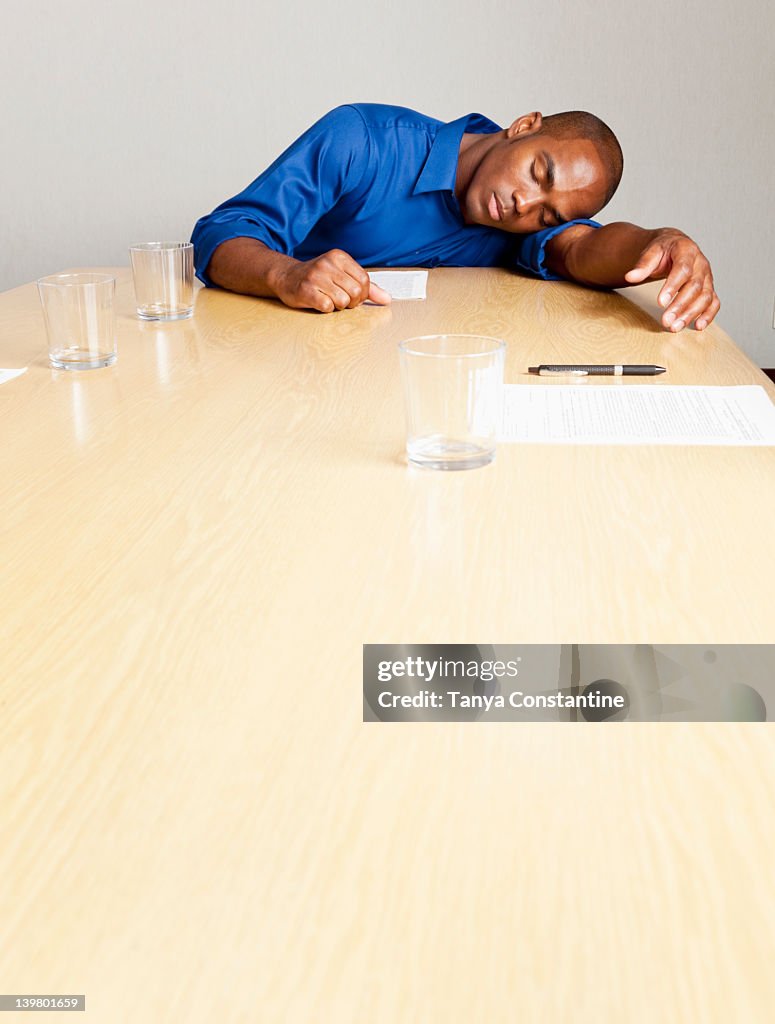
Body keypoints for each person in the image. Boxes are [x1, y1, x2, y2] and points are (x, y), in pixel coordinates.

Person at [191, 103, 719, 332]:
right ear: (523, 126)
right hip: (273, 346)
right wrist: (287, 274)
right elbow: (220, 233)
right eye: (538, 172)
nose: (525, 205)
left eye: (548, 212)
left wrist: (663, 240)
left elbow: (583, 249)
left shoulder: (521, 228)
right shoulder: (362, 139)